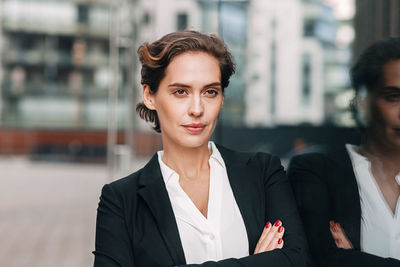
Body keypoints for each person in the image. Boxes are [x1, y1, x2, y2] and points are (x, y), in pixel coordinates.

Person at [93, 30, 308, 267]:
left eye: (210, 92)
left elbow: (296, 260)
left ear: (222, 98)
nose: (197, 109)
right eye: (181, 92)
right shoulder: (121, 201)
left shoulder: (263, 172)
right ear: (149, 95)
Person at [288, 37, 400, 267]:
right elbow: (319, 259)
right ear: (361, 102)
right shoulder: (314, 172)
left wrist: (353, 260)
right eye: (393, 97)